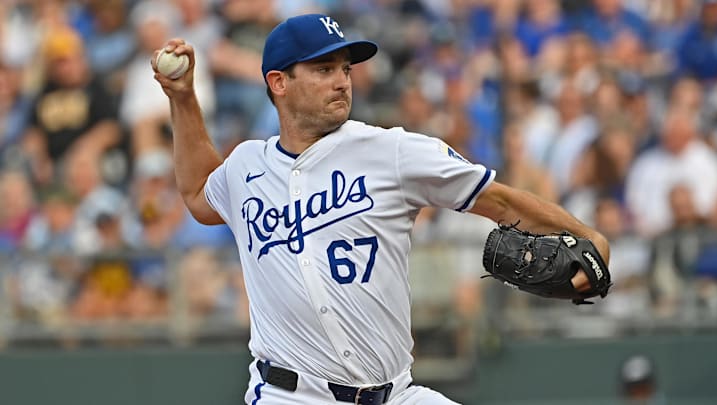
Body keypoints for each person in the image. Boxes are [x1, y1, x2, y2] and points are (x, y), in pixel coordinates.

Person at [152, 13, 610, 405]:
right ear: (279, 82)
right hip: (289, 395)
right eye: (324, 68)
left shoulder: (391, 150)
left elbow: (501, 201)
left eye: (345, 69)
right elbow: (197, 193)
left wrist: (590, 235)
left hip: (395, 393)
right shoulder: (247, 165)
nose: (341, 80)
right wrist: (183, 98)